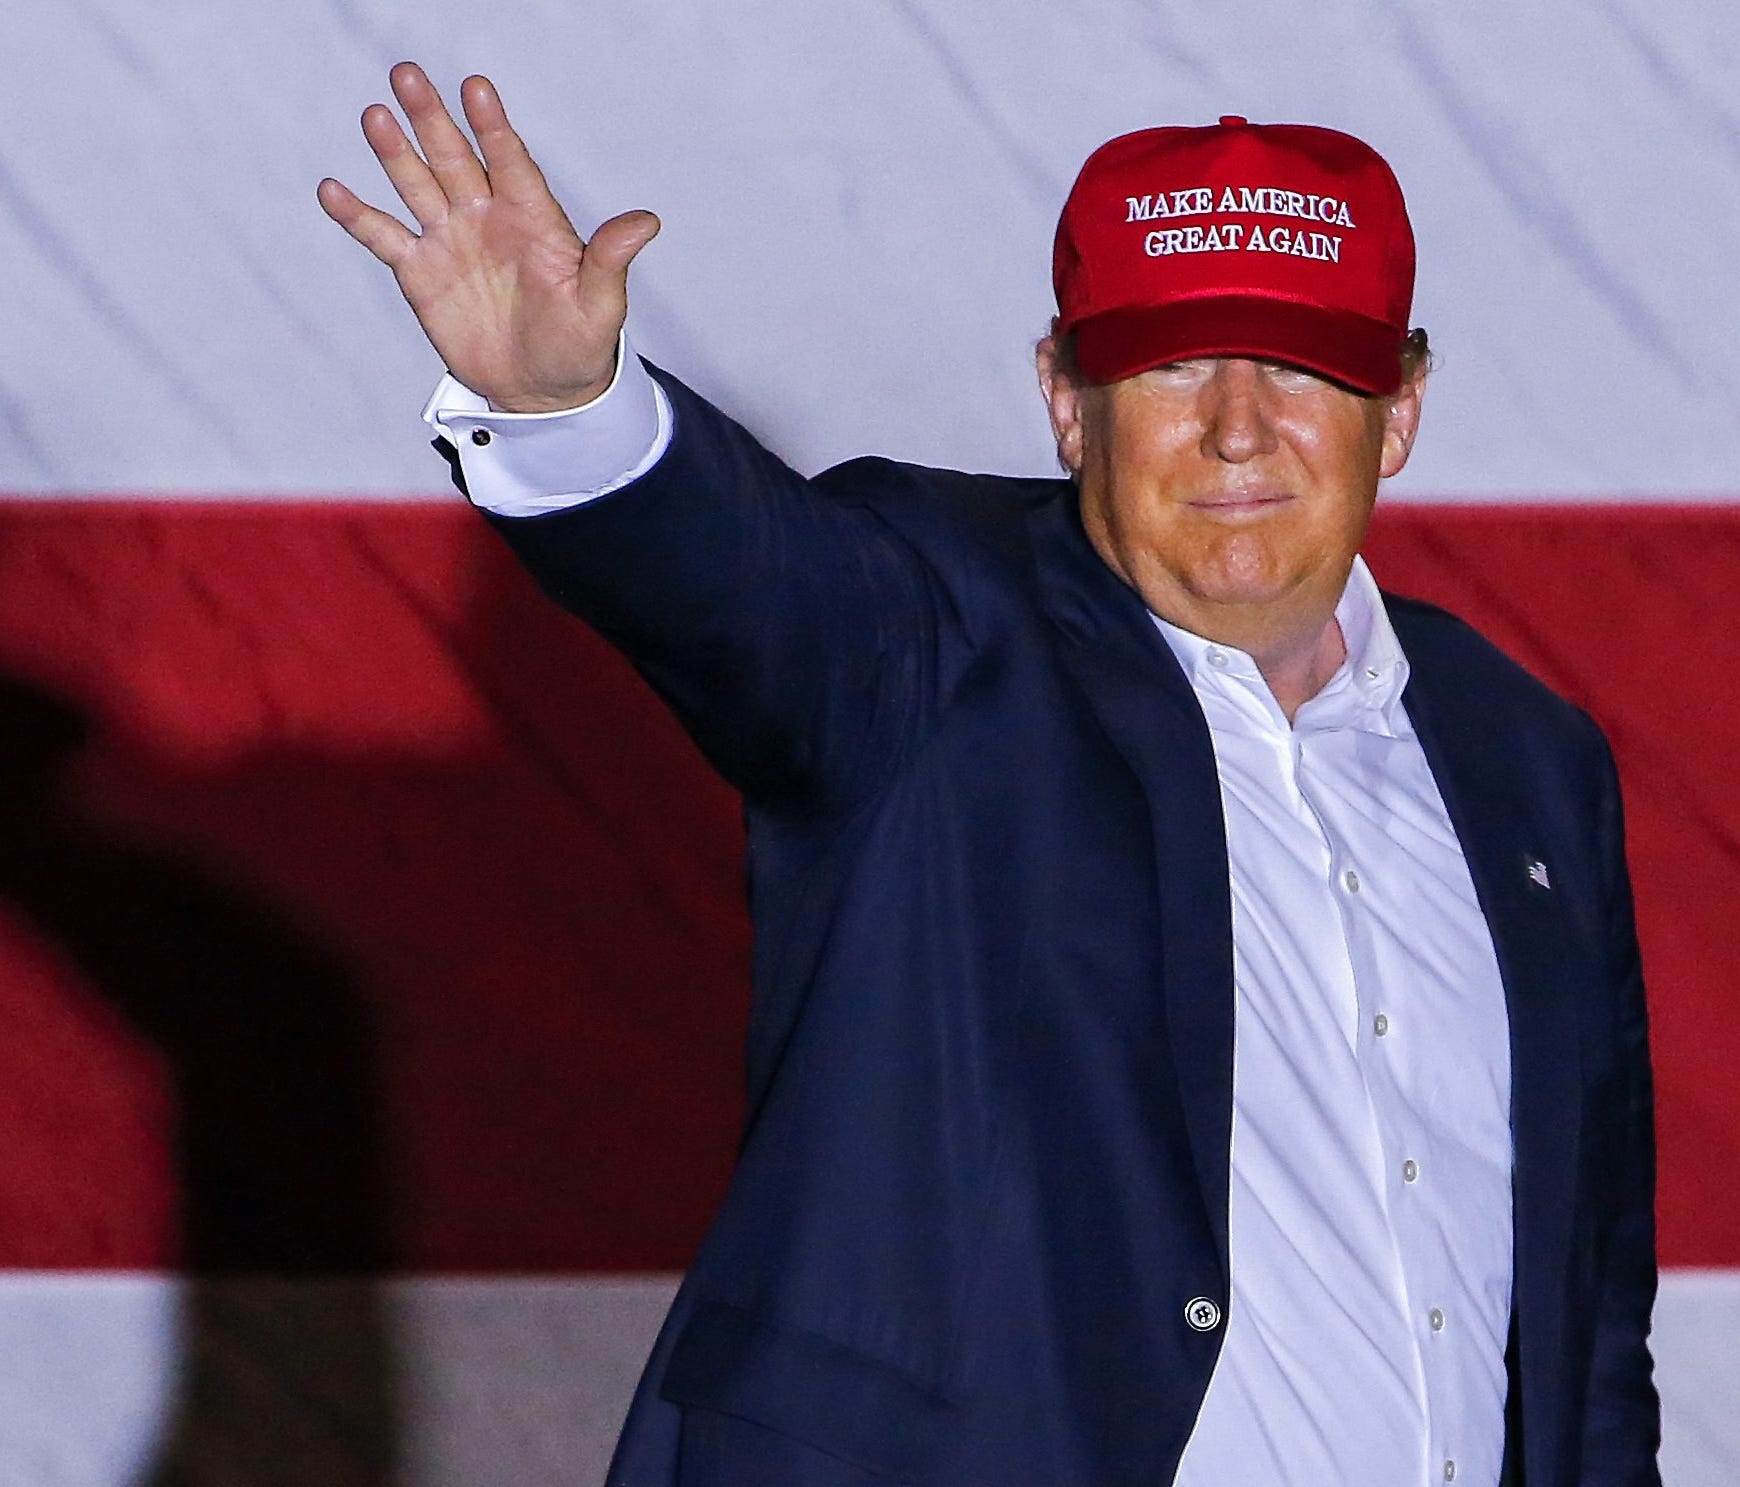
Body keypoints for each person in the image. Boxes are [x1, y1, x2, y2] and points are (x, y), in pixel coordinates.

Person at [321, 62, 1661, 1487]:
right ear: (1067, 402)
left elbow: (1581, 1318)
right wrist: (571, 411)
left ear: (1397, 409)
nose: (1236, 428)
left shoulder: (1524, 754)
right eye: (1170, 365)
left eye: (1300, 366)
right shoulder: (934, 638)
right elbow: (744, 587)